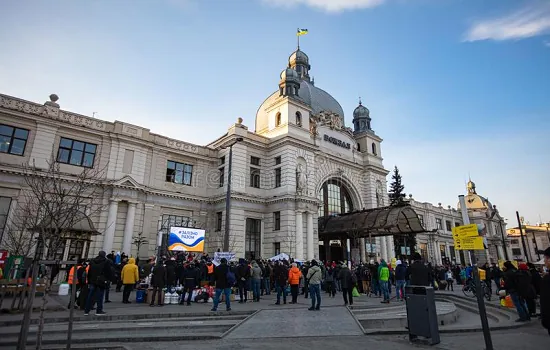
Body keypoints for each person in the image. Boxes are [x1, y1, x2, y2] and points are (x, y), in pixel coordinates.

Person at [84, 251, 113, 316]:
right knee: (100, 296)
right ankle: (99, 310)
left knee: (90, 296)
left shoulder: (92, 261)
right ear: (104, 255)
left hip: (92, 280)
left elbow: (89, 272)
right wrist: (109, 280)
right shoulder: (106, 261)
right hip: (101, 281)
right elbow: (108, 272)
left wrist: (89, 281)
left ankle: (86, 310)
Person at [541, 247, 550, 336]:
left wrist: (546, 322)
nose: (544, 261)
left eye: (545, 258)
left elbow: (546, 303)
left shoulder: (547, 279)